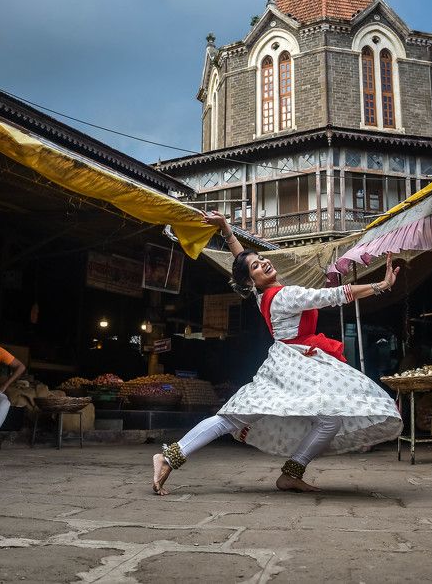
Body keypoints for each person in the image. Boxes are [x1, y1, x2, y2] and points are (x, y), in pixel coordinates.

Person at [151, 211, 403, 495]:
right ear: (251, 282)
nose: (264, 263)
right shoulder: (285, 295)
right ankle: (169, 457)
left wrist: (226, 230)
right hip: (294, 364)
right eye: (257, 267)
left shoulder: (263, 295)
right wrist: (380, 286)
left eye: (262, 260)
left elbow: (242, 260)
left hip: (293, 362)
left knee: (326, 419)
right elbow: (334, 295)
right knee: (235, 418)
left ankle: (291, 473)